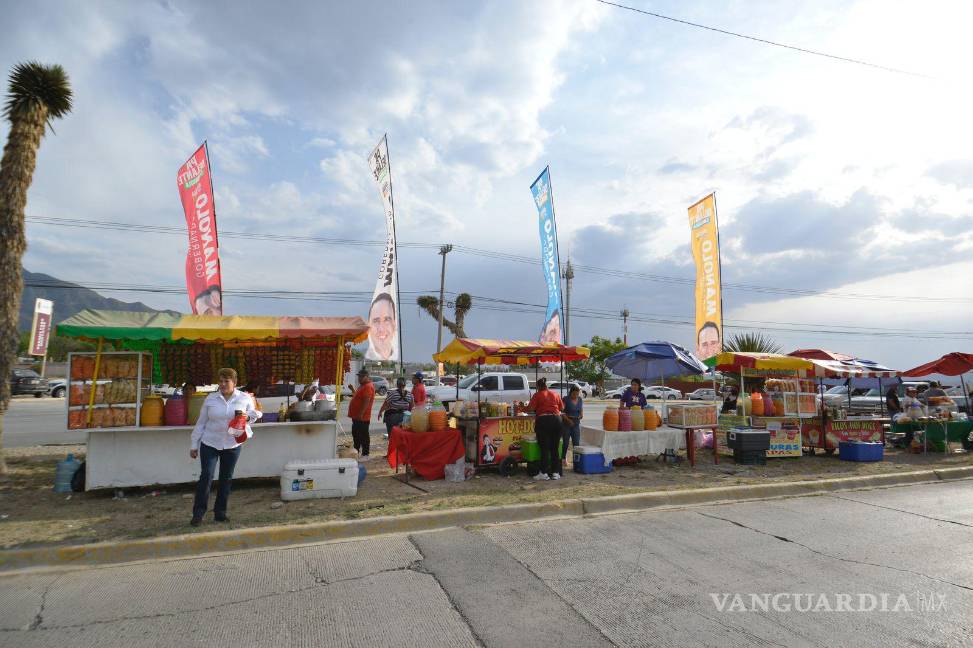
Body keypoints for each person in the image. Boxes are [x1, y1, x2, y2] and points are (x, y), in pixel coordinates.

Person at [189, 367, 261, 526]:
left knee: (226, 479)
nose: (222, 384)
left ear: (234, 383)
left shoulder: (244, 398)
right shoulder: (211, 399)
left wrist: (247, 416)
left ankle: (220, 513)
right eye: (220, 381)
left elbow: (256, 414)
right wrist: (194, 445)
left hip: (232, 444)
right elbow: (201, 423)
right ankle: (198, 514)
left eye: (226, 381)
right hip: (210, 443)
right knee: (206, 476)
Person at [526, 377, 565, 481]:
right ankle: (555, 473)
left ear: (538, 387)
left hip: (543, 421)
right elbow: (562, 408)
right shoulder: (555, 394)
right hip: (557, 420)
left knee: (544, 448)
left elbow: (530, 408)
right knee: (554, 448)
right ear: (546, 385)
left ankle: (543, 473)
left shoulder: (537, 394)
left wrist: (524, 407)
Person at [347, 369, 375, 461]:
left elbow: (366, 401)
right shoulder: (362, 386)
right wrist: (352, 390)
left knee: (363, 435)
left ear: (367, 377)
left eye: (362, 376)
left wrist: (361, 414)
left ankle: (365, 454)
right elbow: (357, 397)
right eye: (359, 376)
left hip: (362, 417)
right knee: (356, 435)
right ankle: (356, 452)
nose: (359, 378)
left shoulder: (368, 386)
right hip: (356, 416)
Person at [366, 293, 397, 361]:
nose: (381, 329)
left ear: (394, 326)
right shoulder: (366, 359)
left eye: (387, 320)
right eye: (376, 321)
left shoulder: (396, 356)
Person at [561, 385, 583, 466]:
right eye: (574, 394)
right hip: (567, 423)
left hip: (576, 423)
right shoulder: (565, 399)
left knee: (576, 443)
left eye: (577, 394)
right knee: (566, 443)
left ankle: (576, 460)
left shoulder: (580, 399)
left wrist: (581, 415)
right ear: (571, 393)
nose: (575, 396)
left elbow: (581, 409)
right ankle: (563, 458)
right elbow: (562, 412)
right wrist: (568, 420)